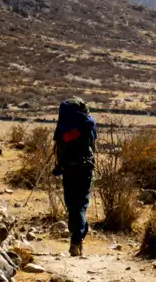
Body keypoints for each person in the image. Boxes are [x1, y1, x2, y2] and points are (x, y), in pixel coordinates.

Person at [52, 97, 97, 257]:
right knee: (81, 203)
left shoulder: (64, 125)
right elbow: (93, 142)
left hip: (67, 168)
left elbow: (58, 141)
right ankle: (77, 237)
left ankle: (76, 236)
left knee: (72, 203)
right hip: (84, 168)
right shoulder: (88, 123)